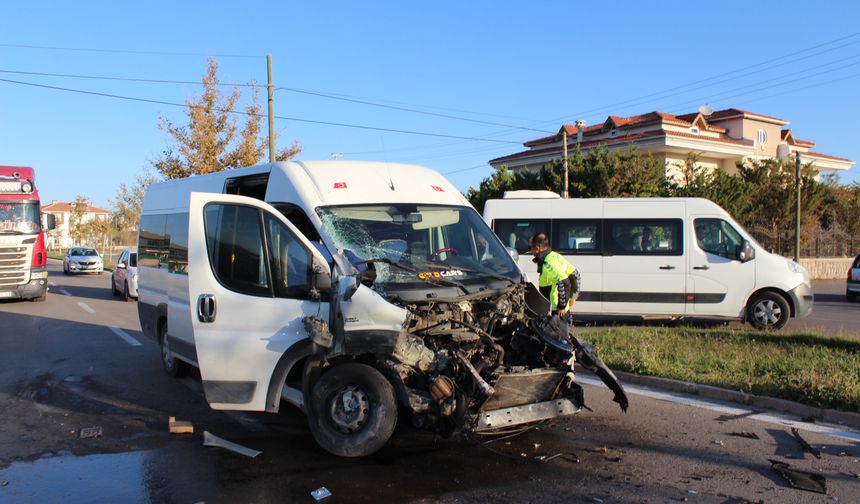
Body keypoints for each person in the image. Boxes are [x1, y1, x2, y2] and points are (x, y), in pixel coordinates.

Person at [530, 232, 580, 318]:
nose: (530, 250)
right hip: (556, 310)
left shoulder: (548, 264)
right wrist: (573, 297)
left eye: (530, 247)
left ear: (537, 248)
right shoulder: (555, 256)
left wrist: (561, 307)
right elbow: (575, 274)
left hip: (556, 312)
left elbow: (564, 283)